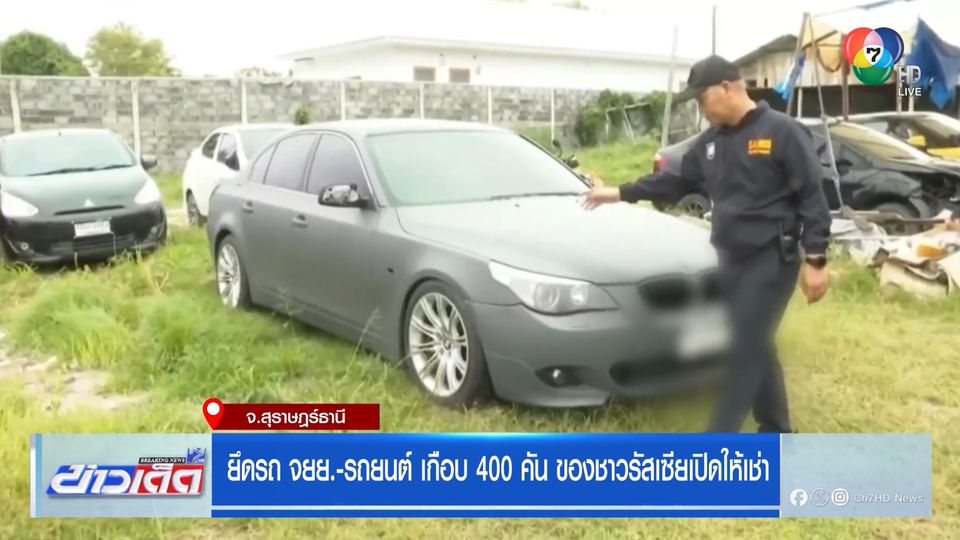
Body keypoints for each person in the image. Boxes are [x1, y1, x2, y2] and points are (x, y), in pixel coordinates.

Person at [581, 55, 832, 433]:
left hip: (771, 259)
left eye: (702, 98)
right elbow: (673, 182)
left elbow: (813, 196)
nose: (701, 108)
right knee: (756, 343)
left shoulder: (782, 132)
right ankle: (777, 430)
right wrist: (618, 192)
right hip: (731, 258)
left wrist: (816, 259)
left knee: (744, 348)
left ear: (727, 87)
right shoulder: (711, 143)